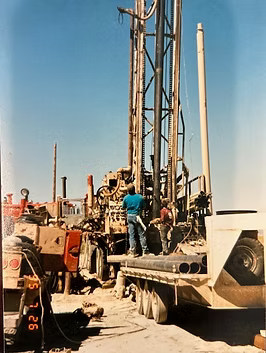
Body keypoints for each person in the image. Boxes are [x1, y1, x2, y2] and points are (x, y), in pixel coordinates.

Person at [122, 184, 150, 257]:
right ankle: (145, 251)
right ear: (134, 189)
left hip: (129, 217)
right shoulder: (140, 197)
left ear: (128, 190)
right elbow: (144, 207)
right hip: (137, 217)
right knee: (141, 234)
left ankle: (132, 252)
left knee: (131, 235)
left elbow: (123, 207)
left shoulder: (125, 198)